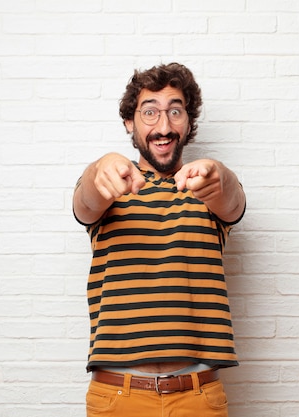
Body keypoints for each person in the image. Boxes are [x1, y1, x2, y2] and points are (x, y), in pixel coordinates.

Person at [73, 62, 246, 417]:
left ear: (188, 123)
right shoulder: (110, 187)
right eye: (149, 112)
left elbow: (232, 200)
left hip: (198, 398)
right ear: (129, 123)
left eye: (175, 112)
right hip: (118, 399)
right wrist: (100, 167)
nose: (163, 126)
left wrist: (220, 175)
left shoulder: (207, 189)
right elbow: (85, 202)